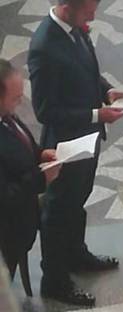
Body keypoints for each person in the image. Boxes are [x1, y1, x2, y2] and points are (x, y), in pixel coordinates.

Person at [28, 0, 123, 307]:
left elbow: (84, 71)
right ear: (67, 6)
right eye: (89, 9)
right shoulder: (44, 47)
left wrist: (106, 90)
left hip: (87, 137)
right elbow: (46, 111)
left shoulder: (75, 30)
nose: (93, 15)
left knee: (78, 198)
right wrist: (98, 115)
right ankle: (55, 280)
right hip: (66, 142)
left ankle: (76, 253)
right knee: (59, 210)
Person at [0, 60, 60, 282]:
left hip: (21, 223)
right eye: (15, 98)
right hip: (7, 233)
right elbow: (5, 195)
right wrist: (41, 179)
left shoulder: (6, 115)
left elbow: (20, 143)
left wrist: (40, 154)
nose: (21, 102)